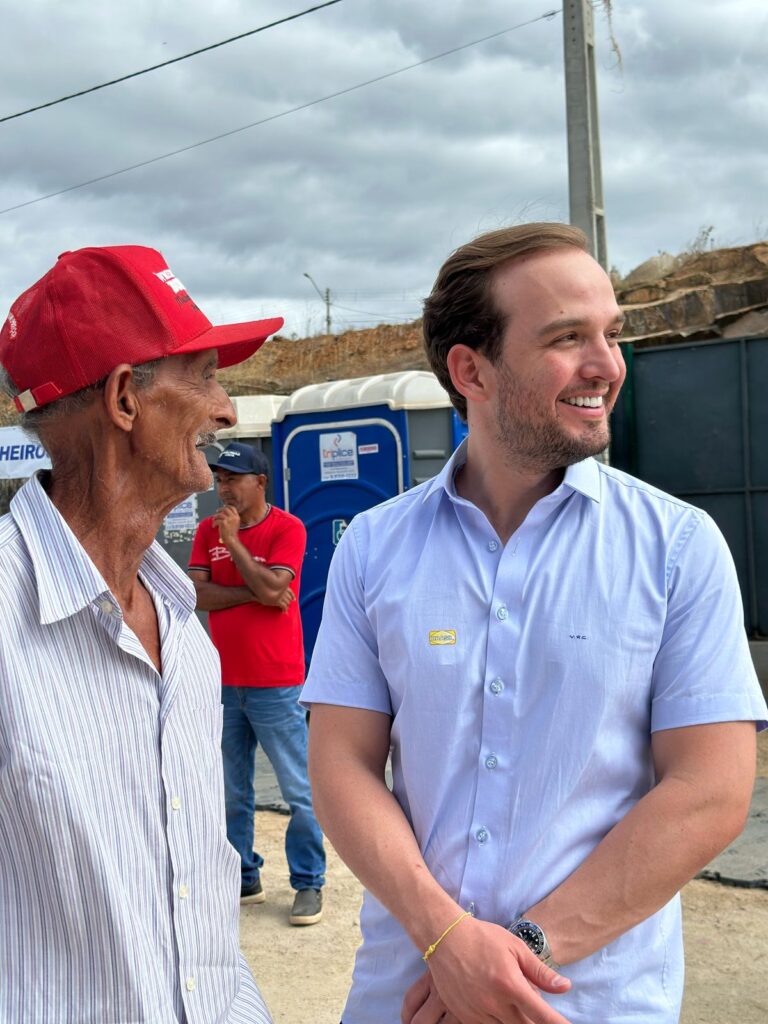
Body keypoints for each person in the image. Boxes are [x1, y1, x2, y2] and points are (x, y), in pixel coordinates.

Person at [301, 223, 768, 1024]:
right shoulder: (374, 548)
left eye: (611, 335)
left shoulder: (678, 548)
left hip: (586, 1005)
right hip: (407, 998)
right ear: (470, 370)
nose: (608, 366)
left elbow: (712, 789)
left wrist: (518, 954)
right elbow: (342, 764)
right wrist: (443, 936)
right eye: (567, 338)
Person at [0, 244, 283, 1023]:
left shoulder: (183, 633)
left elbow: (202, 928)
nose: (226, 409)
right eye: (205, 377)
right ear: (127, 398)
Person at [189, 441, 326, 926]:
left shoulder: (286, 527)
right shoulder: (208, 530)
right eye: (219, 478)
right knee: (231, 790)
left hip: (276, 682)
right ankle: (244, 875)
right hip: (224, 682)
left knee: (299, 790)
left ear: (260, 482)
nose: (222, 487)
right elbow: (197, 594)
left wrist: (242, 551)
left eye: (232, 478)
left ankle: (308, 882)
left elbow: (278, 590)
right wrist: (261, 591)